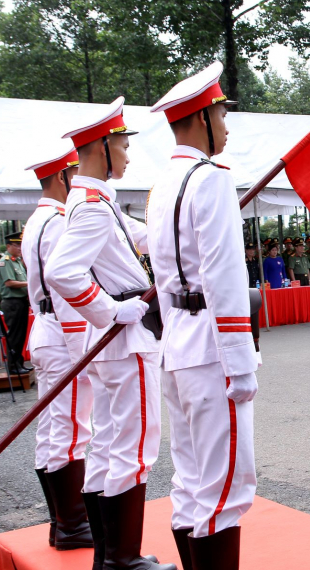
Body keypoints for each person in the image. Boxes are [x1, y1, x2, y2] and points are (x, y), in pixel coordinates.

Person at [46, 97, 175, 570]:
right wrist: (110, 310)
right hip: (124, 341)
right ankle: (124, 558)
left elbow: (139, 236)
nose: (127, 152)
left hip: (112, 345)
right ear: (102, 145)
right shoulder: (93, 206)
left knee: (107, 443)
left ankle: (108, 556)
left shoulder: (95, 200)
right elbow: (64, 272)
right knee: (134, 446)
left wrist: (176, 227)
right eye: (122, 143)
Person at [148, 61, 261, 570]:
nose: (227, 124)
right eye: (220, 112)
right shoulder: (211, 178)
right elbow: (224, 275)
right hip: (212, 347)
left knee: (192, 482)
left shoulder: (163, 183)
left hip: (177, 345)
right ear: (200, 119)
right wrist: (241, 359)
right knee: (223, 490)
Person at [22, 145, 94, 551]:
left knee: (53, 430)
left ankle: (61, 520)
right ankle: (72, 523)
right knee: (70, 430)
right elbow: (65, 289)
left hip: (46, 329)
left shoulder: (37, 220)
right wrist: (79, 348)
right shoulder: (58, 221)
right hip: (64, 333)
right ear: (62, 178)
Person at [0, 232, 29, 370]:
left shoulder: (17, 261)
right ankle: (12, 365)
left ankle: (18, 363)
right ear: (9, 246)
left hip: (21, 301)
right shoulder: (5, 261)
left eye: (21, 246)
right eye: (17, 246)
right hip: (12, 302)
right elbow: (9, 283)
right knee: (14, 335)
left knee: (21, 335)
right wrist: (29, 283)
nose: (20, 249)